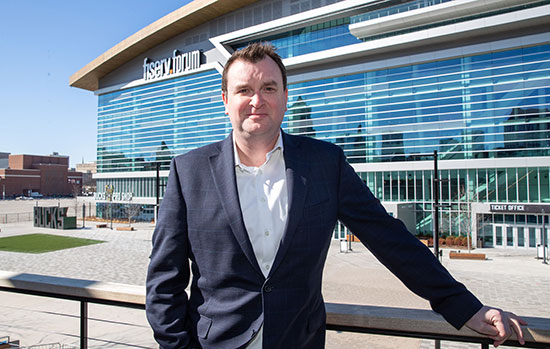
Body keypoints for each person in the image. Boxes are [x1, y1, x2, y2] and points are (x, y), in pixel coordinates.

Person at [146, 42, 526, 349]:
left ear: (285, 97)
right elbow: (164, 280)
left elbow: (389, 238)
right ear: (225, 99)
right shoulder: (188, 171)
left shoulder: (324, 164)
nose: (256, 100)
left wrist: (464, 306)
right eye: (244, 90)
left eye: (268, 88)